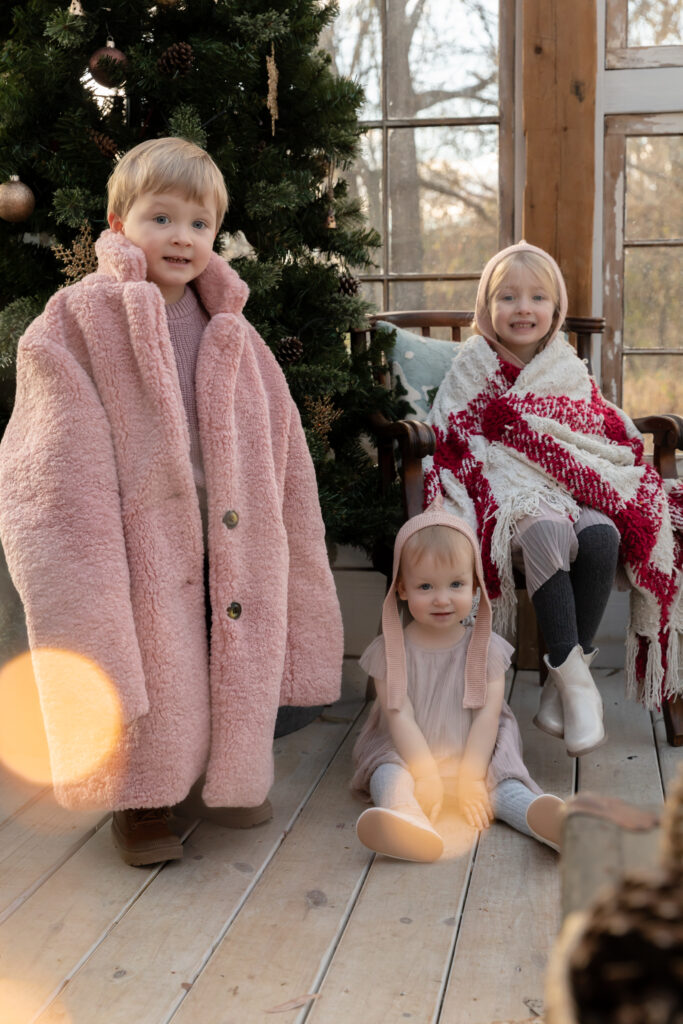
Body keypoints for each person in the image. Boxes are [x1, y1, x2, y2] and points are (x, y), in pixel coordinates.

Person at [0, 137, 343, 865]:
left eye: (198, 223)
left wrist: (284, 536)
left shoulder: (236, 334)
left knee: (223, 653)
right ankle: (143, 798)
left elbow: (284, 454)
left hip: (230, 531)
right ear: (119, 223)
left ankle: (222, 777)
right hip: (139, 534)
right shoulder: (74, 324)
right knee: (156, 660)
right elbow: (50, 465)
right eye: (161, 218)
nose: (181, 237)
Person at [423, 241, 683, 758]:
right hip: (507, 491)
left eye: (538, 297)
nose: (524, 308)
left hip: (569, 484)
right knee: (547, 529)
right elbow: (450, 433)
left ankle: (560, 683)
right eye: (509, 297)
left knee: (603, 534)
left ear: (555, 310)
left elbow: (596, 431)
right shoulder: (473, 362)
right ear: (487, 309)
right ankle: (578, 687)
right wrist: (509, 448)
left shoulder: (566, 366)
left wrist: (549, 446)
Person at [351, 499, 565, 863]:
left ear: (475, 587)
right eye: (425, 587)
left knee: (501, 781)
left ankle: (541, 819)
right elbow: (399, 717)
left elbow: (486, 718)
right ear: (401, 589)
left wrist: (469, 777)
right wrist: (426, 776)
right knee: (387, 771)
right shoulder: (391, 650)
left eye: (455, 584)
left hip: (475, 752)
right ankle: (405, 817)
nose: (442, 599)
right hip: (410, 751)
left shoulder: (487, 649)